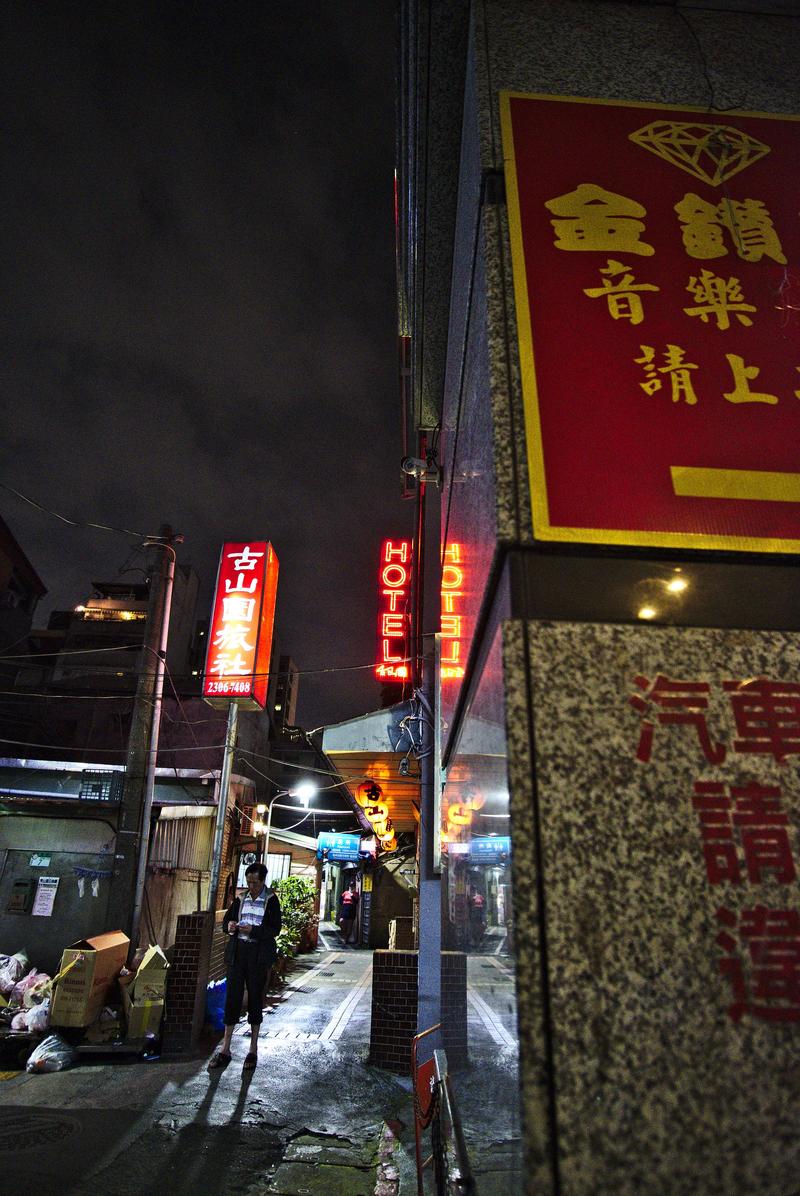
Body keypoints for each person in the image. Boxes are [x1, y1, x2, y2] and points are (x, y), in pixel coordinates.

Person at [208, 862, 281, 1070]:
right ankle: (225, 1048)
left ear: (263, 881)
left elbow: (275, 929)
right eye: (248, 882)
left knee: (256, 998)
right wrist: (230, 927)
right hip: (238, 952)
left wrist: (254, 931)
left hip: (258, 955)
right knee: (232, 996)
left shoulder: (271, 900)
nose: (251, 886)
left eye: (255, 883)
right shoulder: (240, 899)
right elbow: (227, 922)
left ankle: (253, 1049)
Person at [338, 880, 360, 945]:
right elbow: (341, 899)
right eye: (350, 886)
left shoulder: (356, 893)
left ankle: (346, 939)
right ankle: (343, 936)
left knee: (350, 925)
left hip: (352, 909)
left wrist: (352, 895)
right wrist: (343, 904)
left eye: (352, 886)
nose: (351, 887)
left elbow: (356, 902)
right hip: (345, 908)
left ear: (354, 887)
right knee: (341, 921)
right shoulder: (345, 892)